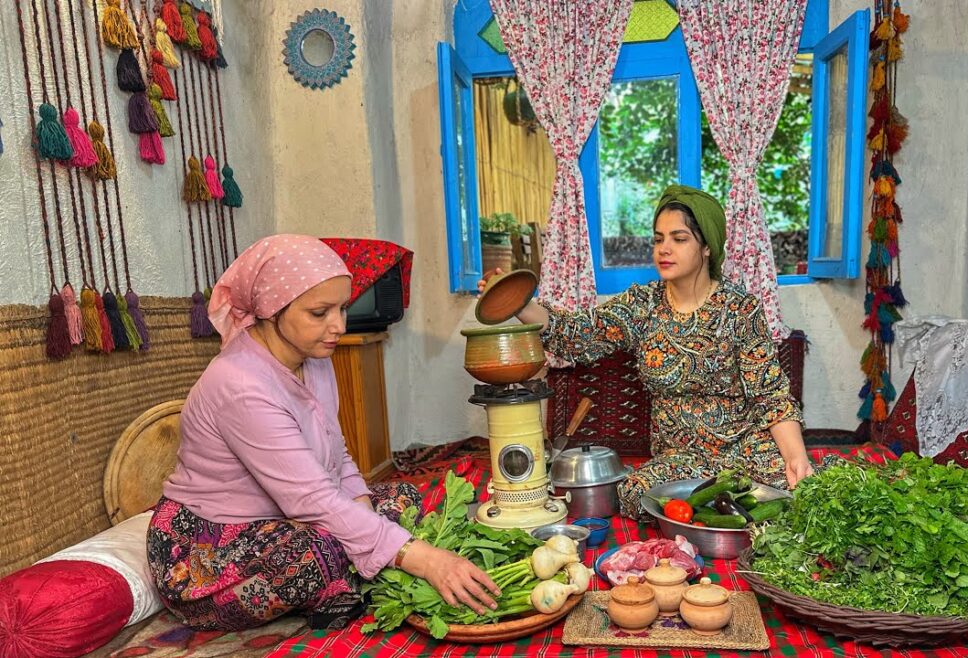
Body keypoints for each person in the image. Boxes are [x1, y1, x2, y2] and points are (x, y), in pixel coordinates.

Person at [148, 235, 499, 631]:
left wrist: (369, 521)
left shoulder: (313, 357)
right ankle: (333, 582)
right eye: (319, 312)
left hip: (289, 515)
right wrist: (425, 559)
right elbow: (311, 500)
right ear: (270, 310)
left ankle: (342, 581)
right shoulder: (241, 385)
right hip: (208, 547)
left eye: (342, 308)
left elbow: (337, 454)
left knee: (401, 499)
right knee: (317, 553)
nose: (338, 326)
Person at [481, 186, 814, 520]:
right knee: (635, 496)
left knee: (796, 488)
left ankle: (722, 508)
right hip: (679, 461)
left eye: (679, 239)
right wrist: (518, 301)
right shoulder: (642, 305)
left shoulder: (741, 309)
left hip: (745, 450)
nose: (664, 249)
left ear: (707, 247)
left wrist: (795, 457)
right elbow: (577, 335)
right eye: (658, 239)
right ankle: (726, 511)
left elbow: (770, 395)